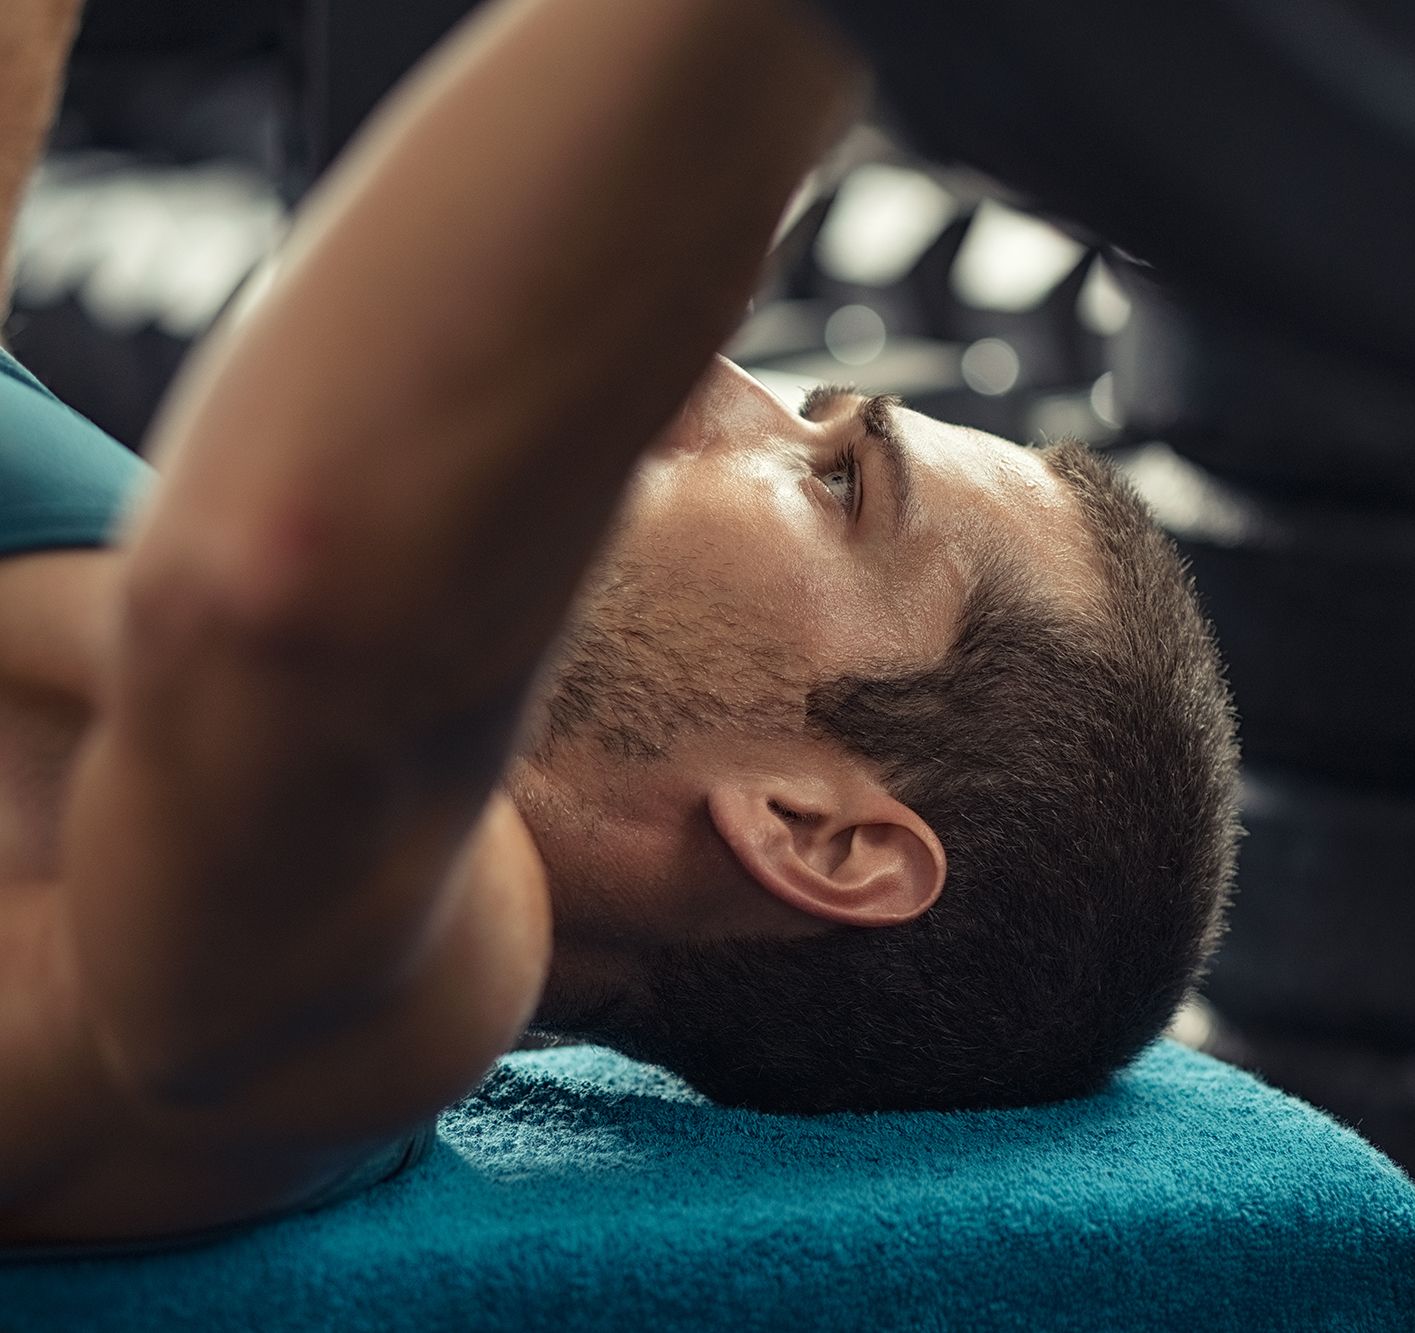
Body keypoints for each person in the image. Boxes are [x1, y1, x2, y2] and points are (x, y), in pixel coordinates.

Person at [0, 0, 1238, 1249]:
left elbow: (280, 585)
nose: (711, 380)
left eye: (836, 482)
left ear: (817, 835)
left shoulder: (400, 983)